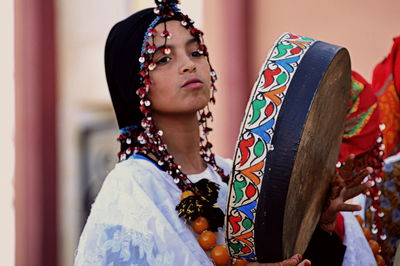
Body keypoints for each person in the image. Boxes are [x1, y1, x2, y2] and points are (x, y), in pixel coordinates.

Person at [74, 1, 372, 265]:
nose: (189, 65)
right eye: (164, 59)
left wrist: (320, 226)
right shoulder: (133, 188)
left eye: (196, 51)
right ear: (134, 86)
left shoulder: (235, 175)